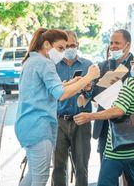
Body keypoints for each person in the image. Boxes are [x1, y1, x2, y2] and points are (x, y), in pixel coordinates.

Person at [15, 28, 100, 186]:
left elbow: (49, 89)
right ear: (47, 44)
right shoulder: (44, 63)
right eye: (61, 48)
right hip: (38, 126)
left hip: (29, 125)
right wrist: (89, 77)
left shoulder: (32, 61)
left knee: (33, 175)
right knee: (40, 177)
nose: (63, 52)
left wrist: (74, 82)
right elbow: (60, 94)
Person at [74, 47, 134, 186]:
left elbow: (118, 110)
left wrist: (90, 116)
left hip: (119, 150)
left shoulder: (133, 83)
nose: (133, 64)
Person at [52, 30, 93, 186]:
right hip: (59, 121)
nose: (69, 48)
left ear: (78, 45)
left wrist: (88, 89)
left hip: (81, 120)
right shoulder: (53, 66)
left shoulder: (88, 65)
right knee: (58, 166)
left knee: (81, 167)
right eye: (66, 45)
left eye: (72, 45)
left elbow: (93, 93)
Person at [93, 29, 134, 161]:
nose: (113, 46)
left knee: (129, 172)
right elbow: (95, 92)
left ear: (128, 45)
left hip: (128, 124)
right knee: (106, 168)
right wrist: (88, 88)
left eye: (117, 43)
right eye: (111, 43)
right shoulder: (103, 65)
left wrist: (121, 86)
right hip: (105, 124)